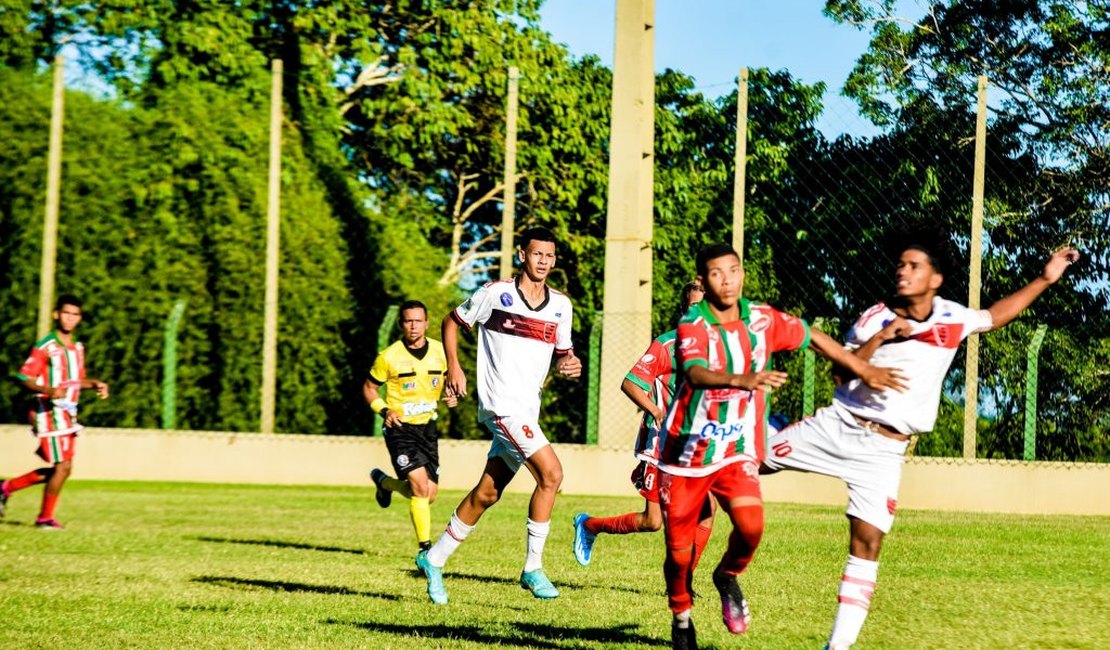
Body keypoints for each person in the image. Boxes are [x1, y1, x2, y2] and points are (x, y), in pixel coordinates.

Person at [762, 233, 1080, 650]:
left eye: (913, 266)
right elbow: (840, 377)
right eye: (900, 264)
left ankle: (837, 647)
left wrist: (1044, 278)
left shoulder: (952, 317)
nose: (902, 271)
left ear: (935, 279)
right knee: (748, 461)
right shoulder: (873, 318)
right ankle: (730, 442)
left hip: (885, 450)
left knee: (868, 541)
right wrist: (882, 340)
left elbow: (994, 315)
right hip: (839, 425)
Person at [660, 244, 905, 650]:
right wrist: (743, 380)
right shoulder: (693, 323)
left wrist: (861, 366)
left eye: (734, 271)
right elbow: (696, 372)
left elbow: (811, 335)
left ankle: (726, 576)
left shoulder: (762, 319)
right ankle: (681, 618)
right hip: (685, 453)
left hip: (736, 448)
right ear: (703, 282)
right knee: (679, 553)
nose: (728, 280)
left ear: (742, 273)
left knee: (752, 527)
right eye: (717, 274)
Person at [418, 226, 581, 605]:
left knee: (488, 493)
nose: (544, 261)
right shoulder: (496, 293)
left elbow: (563, 357)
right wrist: (453, 368)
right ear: (523, 255)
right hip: (500, 406)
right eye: (537, 254)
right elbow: (450, 322)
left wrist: (569, 366)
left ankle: (435, 558)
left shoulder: (561, 306)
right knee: (552, 474)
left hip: (527, 410)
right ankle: (532, 568)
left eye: (550, 256)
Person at [572, 281, 719, 568]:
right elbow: (630, 383)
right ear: (682, 310)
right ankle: (590, 525)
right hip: (661, 442)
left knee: (707, 509)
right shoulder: (667, 344)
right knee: (653, 521)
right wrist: (657, 411)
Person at [0, 295, 109, 529]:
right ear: (56, 314)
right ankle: (44, 518)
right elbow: (23, 378)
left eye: (75, 314)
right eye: (66, 313)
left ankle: (6, 489)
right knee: (63, 467)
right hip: (47, 412)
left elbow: (74, 380)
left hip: (68, 414)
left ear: (79, 318)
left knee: (61, 469)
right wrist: (48, 390)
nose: (70, 318)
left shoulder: (77, 347)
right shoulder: (45, 347)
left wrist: (95, 384)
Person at [366, 300, 457, 564]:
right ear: (401, 323)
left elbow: (448, 383)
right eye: (408, 321)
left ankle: (385, 483)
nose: (414, 326)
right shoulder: (389, 356)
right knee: (419, 488)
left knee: (429, 494)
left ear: (427, 323)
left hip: (427, 429)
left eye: (418, 320)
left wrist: (450, 396)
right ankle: (425, 550)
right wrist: (385, 411)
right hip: (400, 430)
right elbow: (369, 388)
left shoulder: (441, 352)